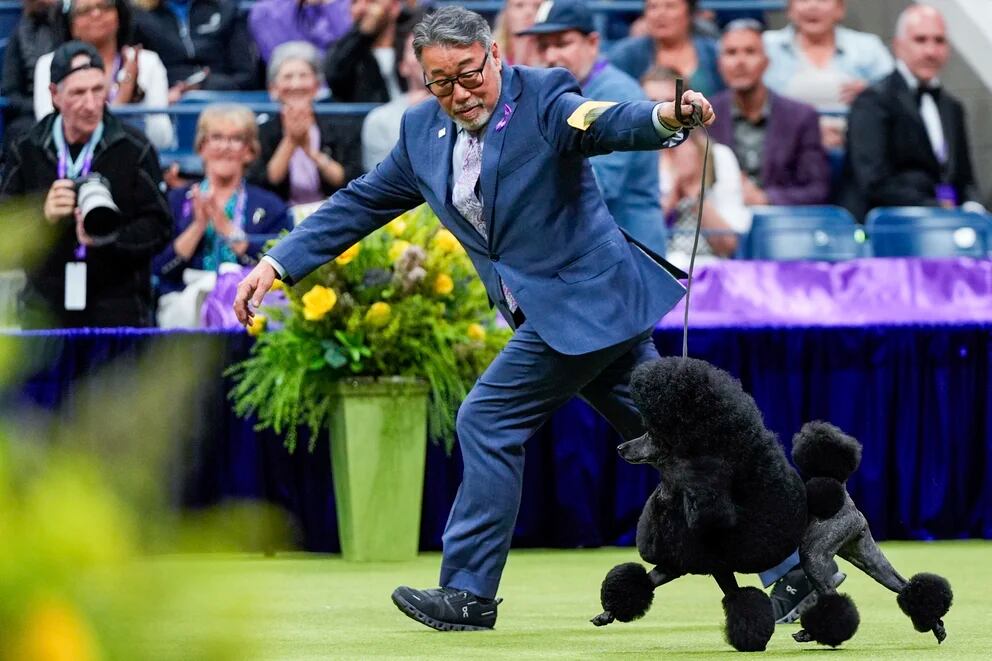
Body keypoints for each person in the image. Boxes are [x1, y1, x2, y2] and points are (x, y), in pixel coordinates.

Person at [233, 6, 715, 630]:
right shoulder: (420, 133)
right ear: (422, 79)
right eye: (440, 82)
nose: (458, 94)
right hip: (572, 311)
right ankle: (796, 565)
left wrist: (665, 118)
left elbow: (604, 122)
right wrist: (275, 264)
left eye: (468, 75)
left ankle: (468, 593)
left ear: (494, 55)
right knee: (681, 442)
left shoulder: (543, 94)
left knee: (487, 417)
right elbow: (358, 203)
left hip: (584, 302)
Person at [0, 41, 172, 328]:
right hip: (43, 309)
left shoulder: (133, 148)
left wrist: (109, 237)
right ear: (55, 94)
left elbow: (160, 227)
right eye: (79, 93)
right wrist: (42, 217)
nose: (91, 104)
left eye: (98, 89)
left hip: (119, 308)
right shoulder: (26, 149)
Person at [522, 0, 666, 256]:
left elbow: (599, 184)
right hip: (593, 250)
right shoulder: (558, 93)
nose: (552, 56)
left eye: (562, 43)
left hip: (633, 254)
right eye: (544, 46)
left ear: (592, 43)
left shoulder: (616, 92)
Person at [841, 3, 983, 219]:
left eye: (939, 41)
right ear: (898, 46)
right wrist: (935, 207)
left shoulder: (952, 107)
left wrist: (974, 208)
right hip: (892, 225)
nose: (930, 51)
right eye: (920, 40)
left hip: (949, 224)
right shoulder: (872, 101)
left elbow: (964, 178)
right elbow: (873, 181)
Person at [155, 104, 290, 300]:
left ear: (249, 151)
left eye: (235, 139)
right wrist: (198, 225)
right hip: (184, 302)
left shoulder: (271, 207)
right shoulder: (174, 200)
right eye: (217, 137)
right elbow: (159, 268)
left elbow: (281, 266)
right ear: (202, 146)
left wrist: (226, 229)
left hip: (250, 300)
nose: (225, 146)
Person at [709, 19, 830, 206]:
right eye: (731, 53)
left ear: (766, 62)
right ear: (719, 64)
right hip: (720, 222)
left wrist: (765, 199)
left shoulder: (801, 117)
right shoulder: (704, 114)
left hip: (782, 223)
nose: (740, 62)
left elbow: (817, 189)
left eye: (750, 52)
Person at [641, 67, 750, 267]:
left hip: (709, 270)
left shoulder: (718, 156)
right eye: (652, 104)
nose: (662, 113)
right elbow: (639, 239)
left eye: (668, 104)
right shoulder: (633, 158)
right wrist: (677, 188)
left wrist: (693, 192)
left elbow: (728, 243)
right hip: (651, 267)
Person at [34, 0, 174, 150]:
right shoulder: (49, 65)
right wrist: (122, 97)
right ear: (70, 24)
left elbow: (161, 139)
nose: (96, 14)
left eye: (105, 7)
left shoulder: (147, 62)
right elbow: (49, 132)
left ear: (119, 16)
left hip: (134, 161)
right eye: (84, 10)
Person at [762, 0, 893, 147]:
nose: (813, 6)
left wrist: (871, 94)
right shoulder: (765, 46)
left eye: (823, 0)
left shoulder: (868, 47)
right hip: (785, 145)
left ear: (840, 9)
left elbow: (898, 97)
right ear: (789, 9)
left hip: (858, 144)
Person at [248, 42, 362, 205]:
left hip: (331, 212)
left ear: (316, 86)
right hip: (279, 216)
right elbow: (262, 184)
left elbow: (350, 180)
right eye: (288, 77)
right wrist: (291, 141)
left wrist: (313, 153)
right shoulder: (261, 131)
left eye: (303, 76)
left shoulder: (341, 127)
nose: (296, 84)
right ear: (273, 88)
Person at [131, 0, 258, 102]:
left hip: (222, 98)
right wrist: (161, 97)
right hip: (165, 99)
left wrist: (205, 85)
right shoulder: (140, 17)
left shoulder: (226, 10)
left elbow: (245, 75)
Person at [608, 0, 724, 98]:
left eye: (670, 6)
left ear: (689, 12)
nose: (660, 14)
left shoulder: (713, 52)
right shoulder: (625, 55)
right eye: (653, 7)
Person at [322, 0, 422, 103]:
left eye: (371, 2)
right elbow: (334, 78)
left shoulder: (412, 42)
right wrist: (361, 34)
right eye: (354, 2)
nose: (360, 8)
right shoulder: (347, 50)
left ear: (394, 7)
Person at [361, 34, 430, 172]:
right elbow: (382, 185)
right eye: (417, 49)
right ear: (402, 66)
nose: (426, 56)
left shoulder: (463, 109)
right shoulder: (380, 119)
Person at [1, 0, 59, 152]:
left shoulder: (73, 26)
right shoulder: (20, 34)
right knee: (21, 133)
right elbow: (10, 90)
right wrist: (41, 107)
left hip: (76, 105)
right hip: (31, 110)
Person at [249, 0, 353, 63]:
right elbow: (285, 61)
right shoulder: (264, 12)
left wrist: (331, 5)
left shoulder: (344, 5)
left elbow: (350, 54)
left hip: (341, 88)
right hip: (296, 89)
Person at [492, 0, 542, 66]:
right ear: (506, 13)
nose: (529, 12)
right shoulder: (489, 53)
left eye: (537, 6)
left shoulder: (552, 56)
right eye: (519, 5)